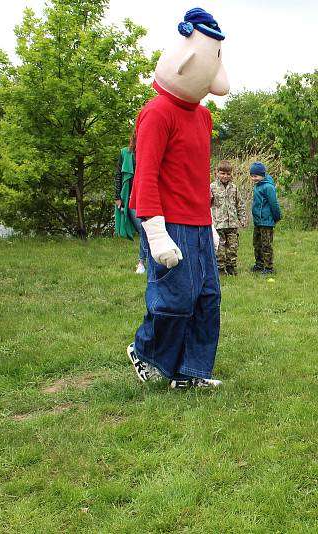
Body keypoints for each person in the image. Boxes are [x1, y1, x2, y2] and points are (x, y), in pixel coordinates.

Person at [126, 7, 229, 389]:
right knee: (175, 298)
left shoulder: (203, 117)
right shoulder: (156, 112)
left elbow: (196, 176)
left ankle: (191, 371)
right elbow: (146, 175)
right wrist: (154, 232)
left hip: (199, 222)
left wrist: (211, 222)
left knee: (207, 299)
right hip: (169, 222)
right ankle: (146, 350)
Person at [114, 131, 148, 274]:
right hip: (130, 198)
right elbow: (118, 176)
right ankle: (141, 263)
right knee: (143, 229)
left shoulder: (149, 152)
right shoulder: (125, 153)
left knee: (148, 229)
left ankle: (146, 261)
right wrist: (118, 197)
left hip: (147, 196)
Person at [210, 159, 246, 276]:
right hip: (218, 224)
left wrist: (242, 219)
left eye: (228, 174)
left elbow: (239, 204)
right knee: (220, 248)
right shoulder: (212, 187)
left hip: (232, 224)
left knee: (233, 247)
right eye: (222, 173)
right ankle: (220, 268)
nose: (225, 176)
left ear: (231, 174)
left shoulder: (234, 188)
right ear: (217, 173)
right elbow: (206, 204)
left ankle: (231, 267)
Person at [249, 161, 281, 274]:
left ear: (262, 175)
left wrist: (276, 217)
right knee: (257, 243)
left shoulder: (268, 187)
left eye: (256, 176)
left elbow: (274, 204)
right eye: (252, 176)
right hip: (258, 221)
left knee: (266, 245)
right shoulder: (257, 186)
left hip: (266, 222)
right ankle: (259, 264)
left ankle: (268, 267)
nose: (254, 178)